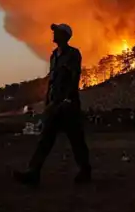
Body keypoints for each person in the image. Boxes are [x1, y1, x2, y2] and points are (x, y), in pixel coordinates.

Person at [13, 23, 92, 186]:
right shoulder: (54, 55)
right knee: (45, 139)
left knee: (76, 139)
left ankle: (85, 171)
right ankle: (33, 173)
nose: (53, 34)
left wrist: (67, 99)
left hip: (67, 104)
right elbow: (52, 80)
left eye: (57, 32)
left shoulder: (73, 54)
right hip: (54, 104)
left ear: (65, 36)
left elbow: (74, 77)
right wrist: (48, 101)